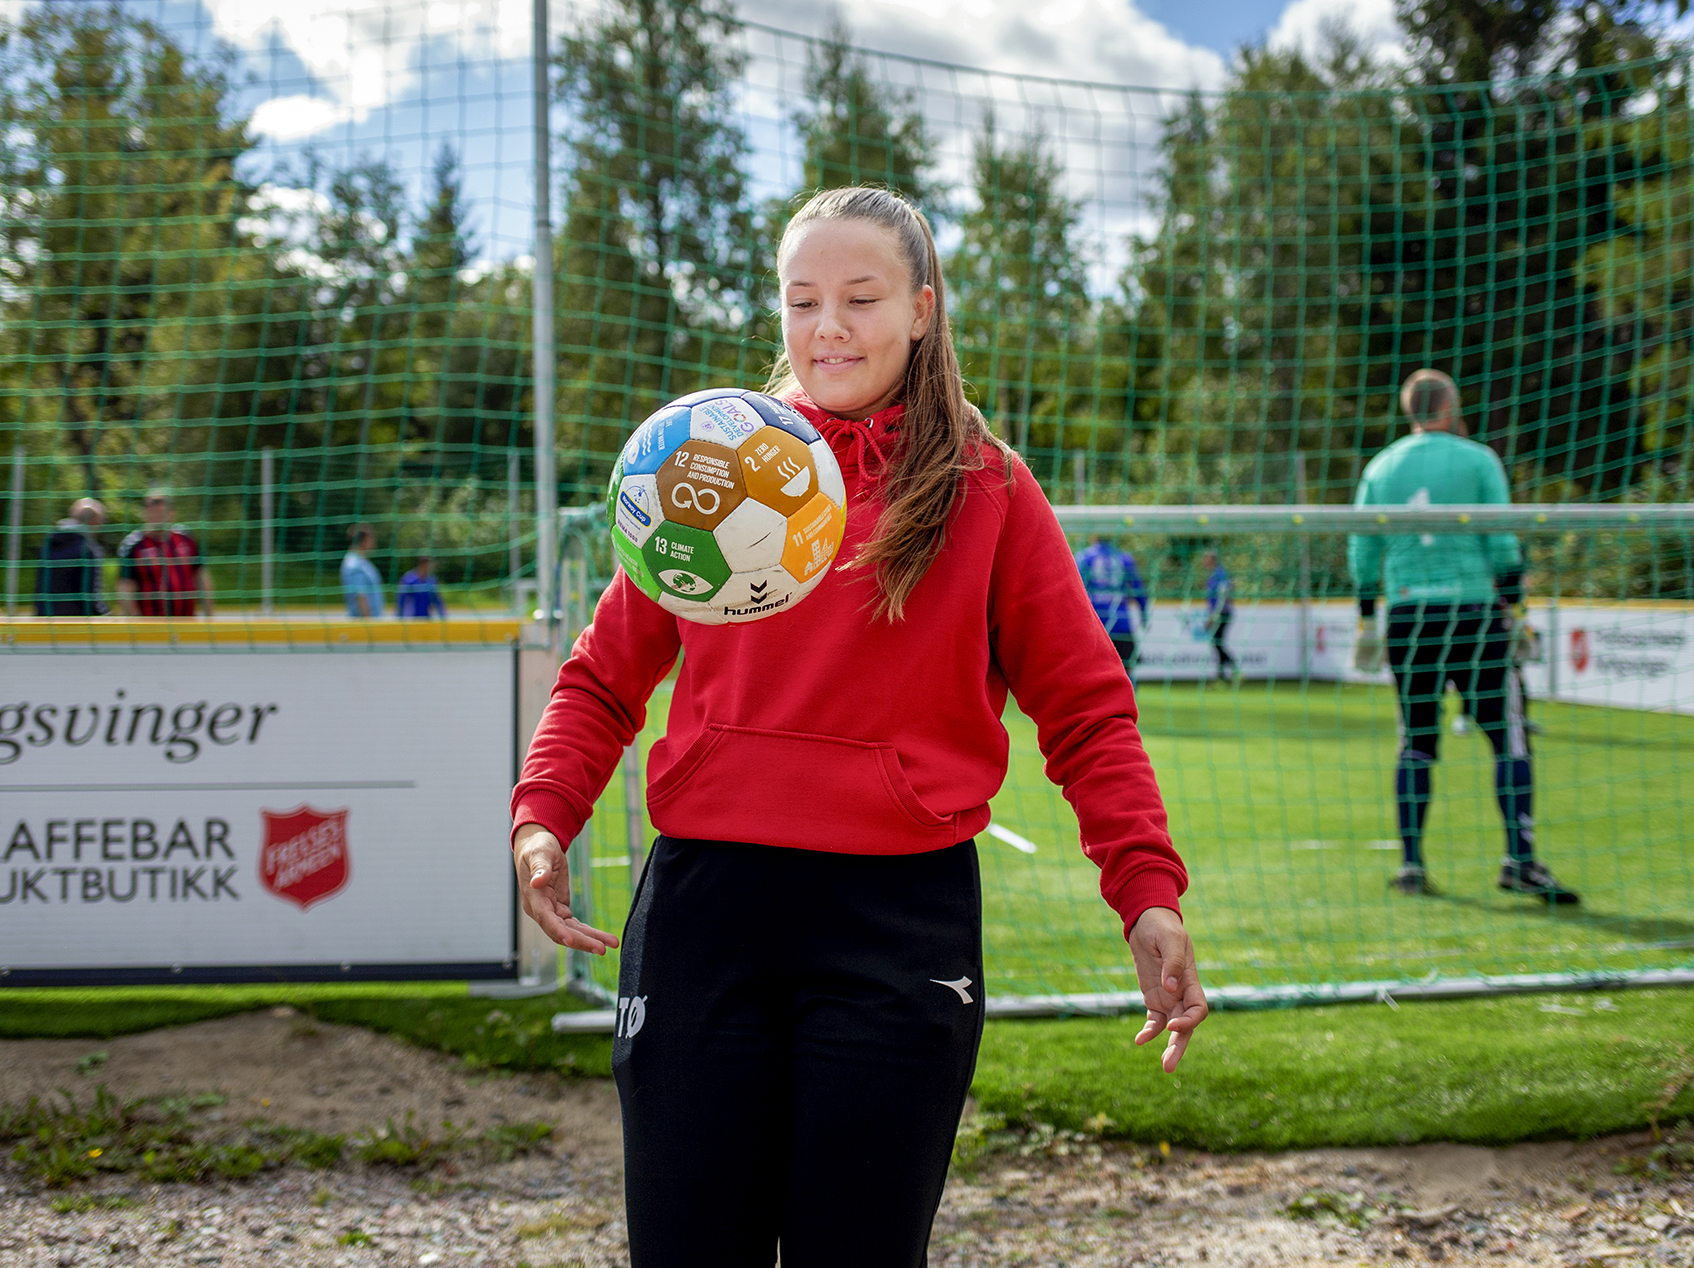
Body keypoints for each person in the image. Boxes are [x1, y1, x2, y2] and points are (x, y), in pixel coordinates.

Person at [510, 187, 1206, 1268]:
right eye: (801, 301)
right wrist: (544, 813)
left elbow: (1084, 709)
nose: (827, 327)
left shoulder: (987, 490)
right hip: (705, 910)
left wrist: (1145, 891)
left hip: (897, 922)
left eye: (861, 297)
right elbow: (603, 678)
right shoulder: (708, 465)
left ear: (922, 309)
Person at [1350, 369, 1575, 905]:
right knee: (1508, 736)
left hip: (1408, 616)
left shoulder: (1382, 467)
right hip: (1472, 612)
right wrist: (1517, 606)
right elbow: (1499, 537)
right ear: (1450, 406)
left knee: (1416, 740)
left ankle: (1412, 864)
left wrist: (1366, 614)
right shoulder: (1478, 460)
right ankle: (1520, 859)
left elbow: (1363, 547)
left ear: (1410, 410)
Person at [116, 487, 214, 618]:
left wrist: (209, 615)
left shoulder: (186, 539)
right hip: (150, 623)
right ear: (145, 513)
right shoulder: (133, 545)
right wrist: (134, 620)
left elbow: (201, 576)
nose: (158, 518)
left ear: (172, 513)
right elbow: (125, 586)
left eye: (162, 513)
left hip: (186, 620)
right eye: (153, 513)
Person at [1075, 534, 1148, 672]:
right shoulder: (1124, 558)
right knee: (1126, 672)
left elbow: (1075, 591)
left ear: (1094, 536)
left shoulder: (1084, 558)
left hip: (1095, 626)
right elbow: (1139, 591)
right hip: (1121, 624)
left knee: (1093, 673)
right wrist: (1144, 615)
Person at [33, 498, 109, 617]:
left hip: (45, 620)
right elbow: (91, 595)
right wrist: (106, 616)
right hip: (76, 624)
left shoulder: (48, 544)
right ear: (94, 522)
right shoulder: (88, 549)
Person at [1201, 550, 1238, 683]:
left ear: (1213, 560)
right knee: (1217, 643)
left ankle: (1234, 669)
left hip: (1222, 614)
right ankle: (1222, 676)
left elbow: (1223, 597)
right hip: (1218, 613)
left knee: (1218, 643)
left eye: (1206, 559)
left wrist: (1214, 616)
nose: (1204, 562)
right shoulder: (1214, 575)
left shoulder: (1220, 575)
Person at [341, 525, 384, 618]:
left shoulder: (363, 562)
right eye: (372, 538)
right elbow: (360, 596)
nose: (374, 542)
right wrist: (369, 626)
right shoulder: (353, 564)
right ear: (364, 540)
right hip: (365, 625)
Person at [396, 555, 446, 620]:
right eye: (427, 565)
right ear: (421, 565)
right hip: (411, 618)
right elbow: (401, 599)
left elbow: (437, 600)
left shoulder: (431, 581)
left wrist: (442, 616)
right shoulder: (409, 580)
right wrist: (400, 616)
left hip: (426, 618)